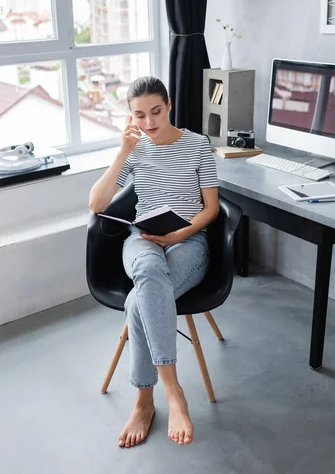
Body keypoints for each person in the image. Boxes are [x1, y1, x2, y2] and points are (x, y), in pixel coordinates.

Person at [89, 76, 219, 448]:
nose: (149, 122)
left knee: (138, 299)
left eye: (156, 112)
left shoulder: (197, 146)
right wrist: (121, 154)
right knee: (147, 271)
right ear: (130, 117)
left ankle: (145, 401)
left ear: (170, 105)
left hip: (189, 239)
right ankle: (173, 390)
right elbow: (97, 204)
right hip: (142, 239)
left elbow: (210, 209)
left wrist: (179, 235)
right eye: (140, 115)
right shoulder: (137, 149)